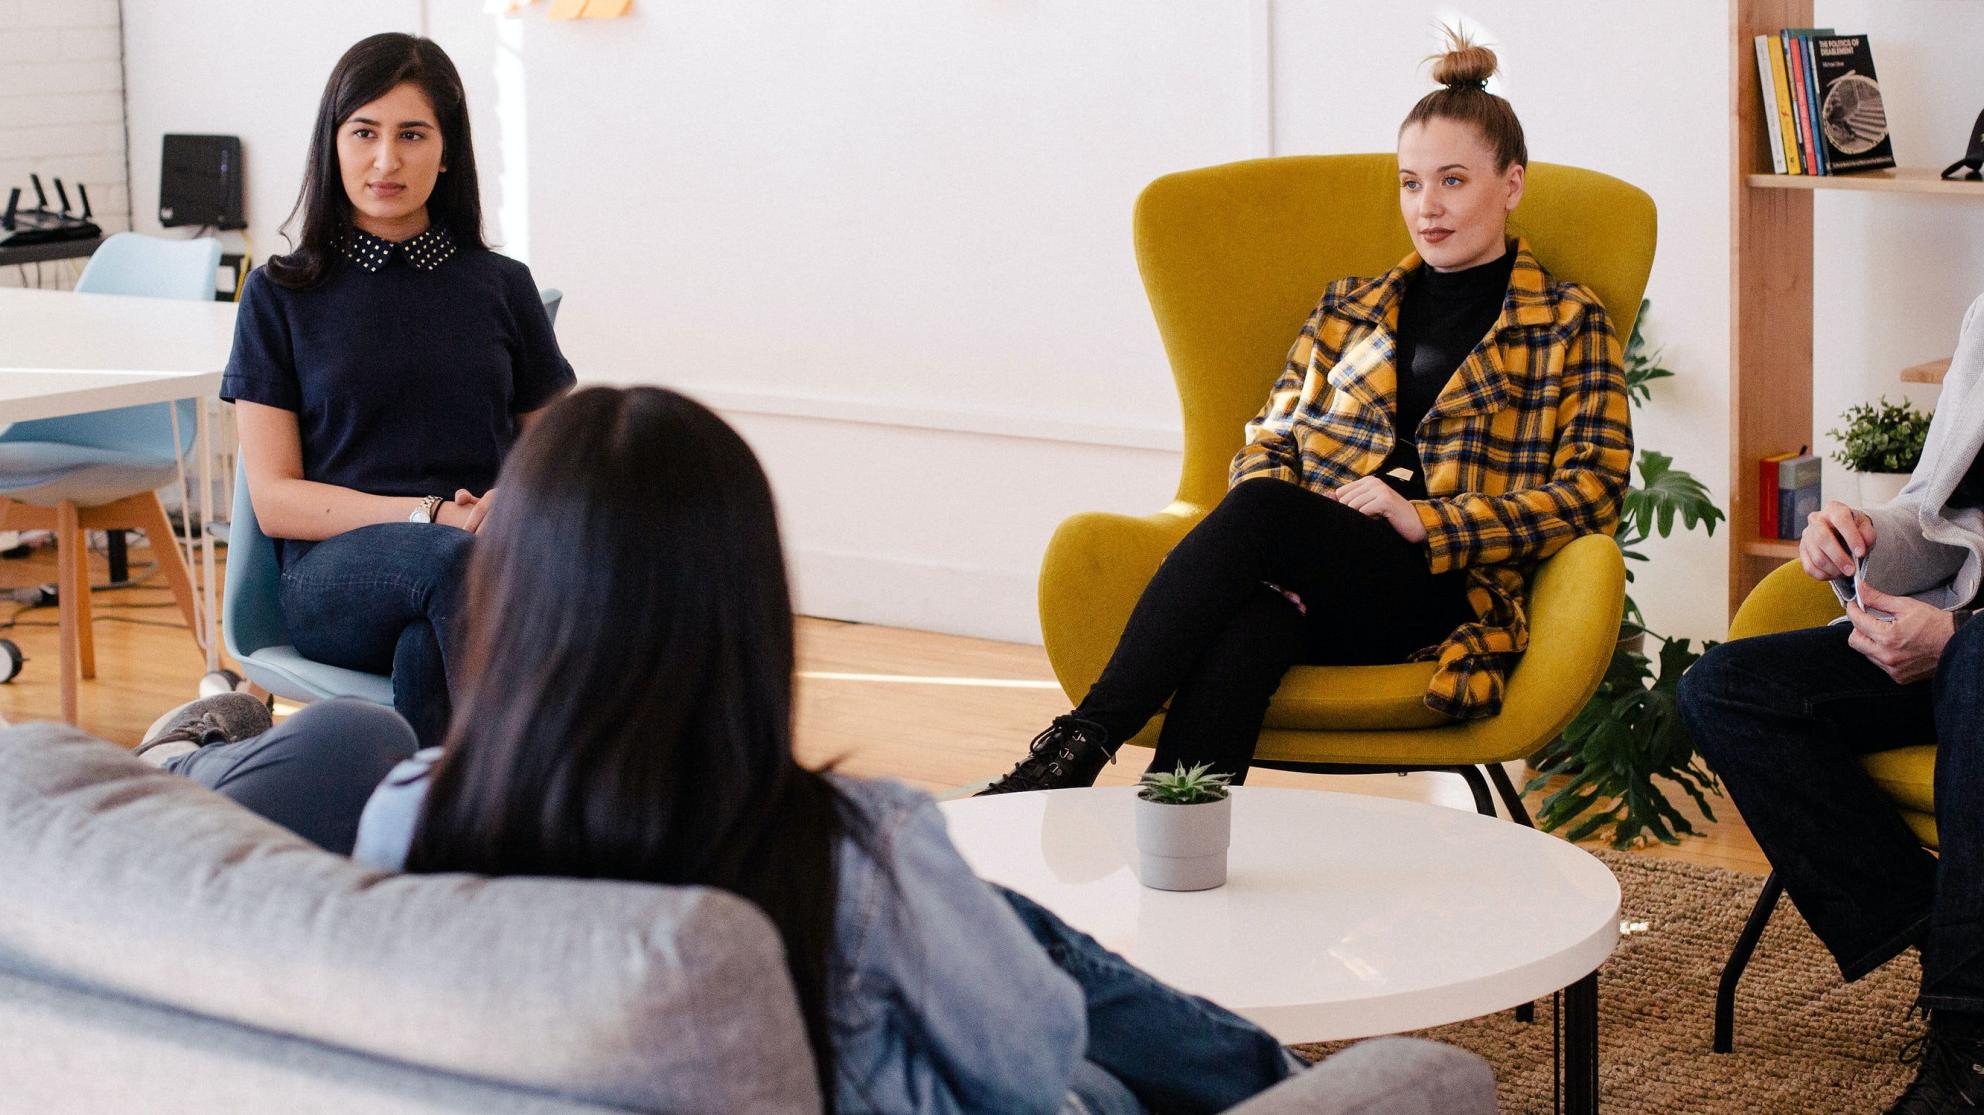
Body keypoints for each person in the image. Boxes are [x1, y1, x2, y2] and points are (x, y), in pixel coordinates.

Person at [140, 386, 1491, 1114]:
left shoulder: (407, 810)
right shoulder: (843, 850)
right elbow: (1023, 1060)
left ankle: (1085, 770)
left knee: (1001, 919)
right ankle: (1269, 1074)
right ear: (742, 609)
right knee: (1055, 996)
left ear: (516, 600)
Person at [980, 30, 1633, 795]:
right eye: (1411, 184)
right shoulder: (1348, 307)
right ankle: (1174, 837)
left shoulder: (1566, 320)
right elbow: (1270, 437)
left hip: (1442, 588)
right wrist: (1311, 525)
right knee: (1253, 625)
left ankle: (1077, 746)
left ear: (1512, 184)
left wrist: (1430, 519)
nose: (1428, 208)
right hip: (1314, 567)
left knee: (1260, 513)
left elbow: (1595, 488)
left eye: (1453, 181)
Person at [220, 32, 574, 748]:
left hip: (471, 571)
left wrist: (517, 499)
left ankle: (426, 843)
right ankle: (561, 800)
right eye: (365, 133)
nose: (387, 160)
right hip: (331, 579)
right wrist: (431, 515)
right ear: (334, 144)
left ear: (447, 152)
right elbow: (276, 499)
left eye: (412, 134)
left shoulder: (502, 287)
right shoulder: (280, 294)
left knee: (427, 649)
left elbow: (567, 456)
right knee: (458, 566)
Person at [1678, 294, 1984, 1114]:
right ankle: (1952, 941)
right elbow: (1942, 510)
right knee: (1726, 690)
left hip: (1973, 649)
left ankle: (1969, 1058)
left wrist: (1956, 636)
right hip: (1955, 641)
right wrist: (1862, 532)